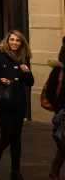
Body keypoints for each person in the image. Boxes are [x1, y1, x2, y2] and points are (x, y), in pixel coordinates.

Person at [0, 30, 34, 179]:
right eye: (12, 40)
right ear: (7, 41)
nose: (15, 43)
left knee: (17, 138)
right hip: (4, 101)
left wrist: (26, 71)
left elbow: (30, 83)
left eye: (18, 41)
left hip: (19, 101)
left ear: (21, 43)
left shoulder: (23, 58)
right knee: (8, 134)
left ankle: (15, 170)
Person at [46, 36, 65, 180]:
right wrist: (59, 108)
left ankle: (54, 170)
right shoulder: (58, 70)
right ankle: (54, 170)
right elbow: (50, 92)